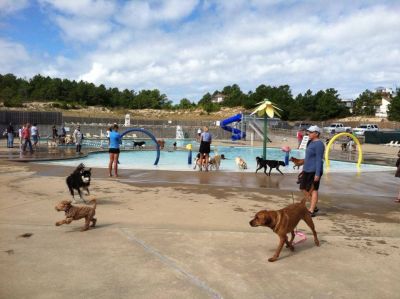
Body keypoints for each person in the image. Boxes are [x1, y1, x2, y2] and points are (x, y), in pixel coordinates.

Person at [299, 125, 325, 217]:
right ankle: (315, 206)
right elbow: (308, 158)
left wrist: (317, 174)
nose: (308, 133)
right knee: (303, 188)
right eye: (308, 132)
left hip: (314, 171)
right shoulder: (310, 142)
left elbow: (319, 159)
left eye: (310, 132)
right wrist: (303, 169)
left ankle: (311, 210)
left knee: (314, 190)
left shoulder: (319, 144)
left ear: (316, 133)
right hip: (307, 170)